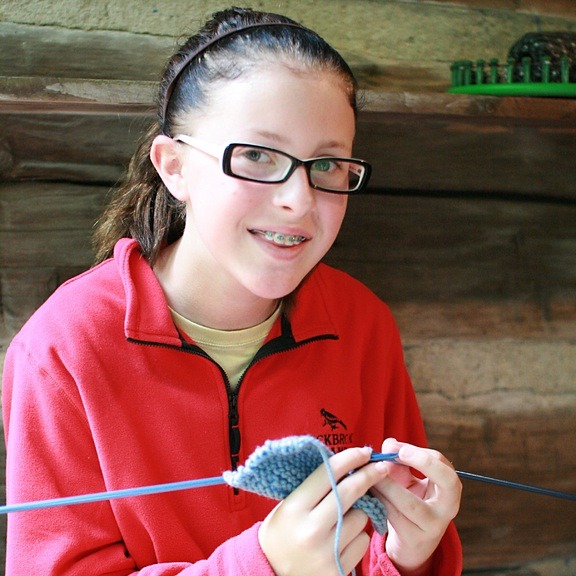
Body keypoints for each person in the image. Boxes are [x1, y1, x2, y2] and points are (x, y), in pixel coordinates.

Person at [2, 7, 462, 576]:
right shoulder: (61, 348)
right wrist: (263, 566)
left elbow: (382, 547)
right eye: (256, 156)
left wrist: (408, 556)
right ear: (174, 168)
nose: (298, 199)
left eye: (326, 164)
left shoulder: (363, 323)